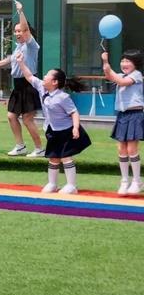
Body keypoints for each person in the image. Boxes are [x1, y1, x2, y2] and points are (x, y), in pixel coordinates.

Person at [16, 52, 91, 194]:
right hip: (52, 130)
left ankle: (71, 185)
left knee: (66, 157)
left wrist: (75, 128)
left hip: (66, 131)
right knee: (53, 157)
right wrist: (21, 63)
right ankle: (52, 183)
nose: (44, 77)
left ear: (55, 82)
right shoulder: (41, 88)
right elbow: (29, 76)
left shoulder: (63, 97)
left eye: (47, 75)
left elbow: (74, 112)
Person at [0, 0, 44, 158]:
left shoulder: (32, 45)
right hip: (18, 85)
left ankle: (39, 148)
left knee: (27, 119)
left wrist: (20, 11)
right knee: (11, 116)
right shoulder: (18, 47)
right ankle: (20, 146)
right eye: (16, 31)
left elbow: (26, 28)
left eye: (20, 31)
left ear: (27, 33)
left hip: (29, 83)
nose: (18, 33)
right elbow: (10, 60)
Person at [102, 50, 144, 195]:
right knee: (121, 149)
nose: (124, 64)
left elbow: (121, 82)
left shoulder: (136, 75)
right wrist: (105, 62)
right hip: (122, 115)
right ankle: (124, 181)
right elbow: (109, 76)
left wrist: (107, 64)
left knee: (132, 149)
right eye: (123, 61)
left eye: (128, 61)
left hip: (135, 114)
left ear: (135, 63)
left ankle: (137, 181)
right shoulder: (120, 75)